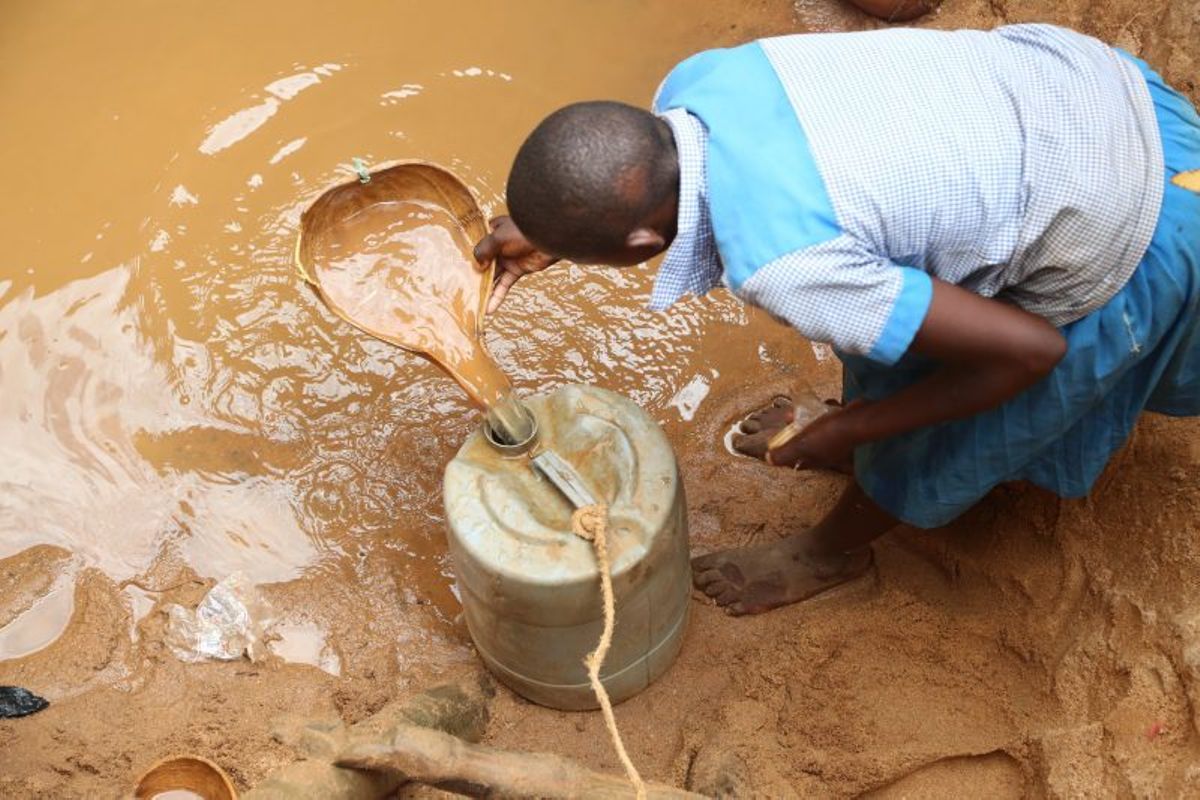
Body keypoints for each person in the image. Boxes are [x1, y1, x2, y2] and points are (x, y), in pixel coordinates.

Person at [472, 24, 1200, 615]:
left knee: (939, 417)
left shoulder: (784, 263)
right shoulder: (696, 84)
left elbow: (1031, 353)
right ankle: (858, 438)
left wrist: (853, 427)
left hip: (1129, 221)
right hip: (1093, 91)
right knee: (875, 315)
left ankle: (830, 552)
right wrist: (552, 230)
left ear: (636, 246)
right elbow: (626, 179)